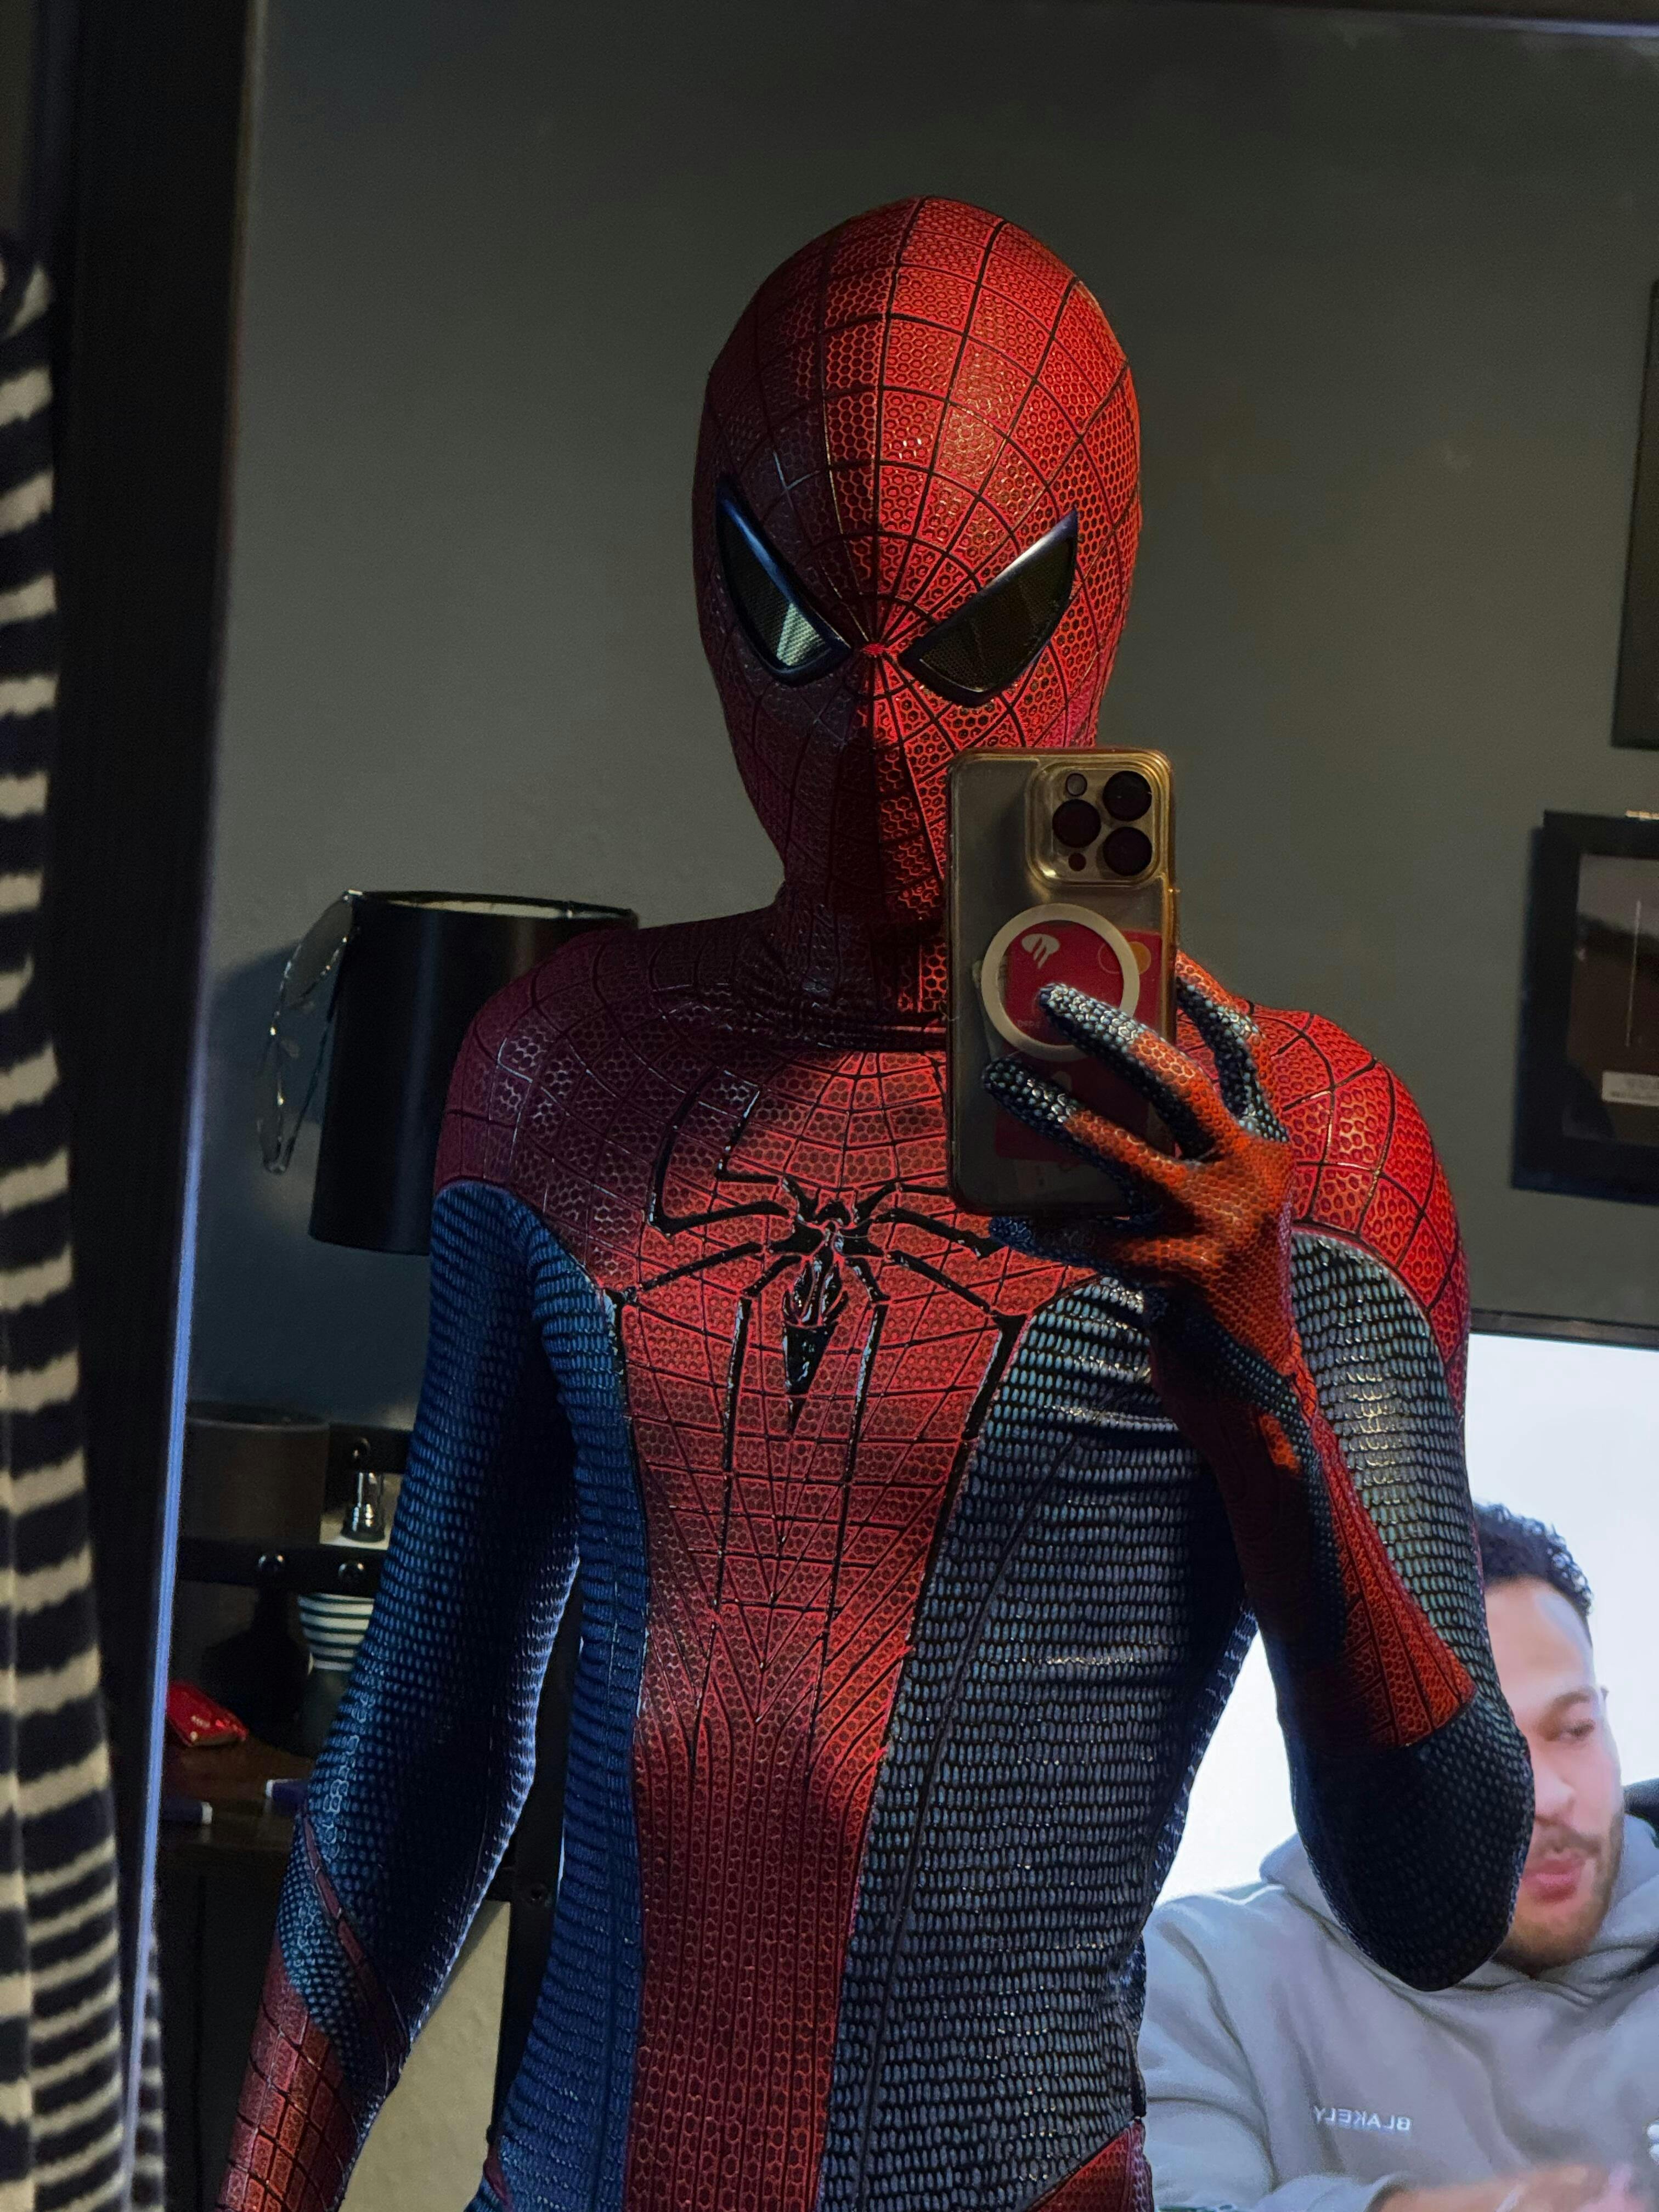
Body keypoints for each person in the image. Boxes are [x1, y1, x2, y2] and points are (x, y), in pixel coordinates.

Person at [218, 199, 1530, 2212]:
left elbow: (1442, 1895)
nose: (877, 736)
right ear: (711, 573)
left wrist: (1263, 1397)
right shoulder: (568, 1069)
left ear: (1089, 577)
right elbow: (422, 1741)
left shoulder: (1292, 1147)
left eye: (964, 640)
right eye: (805, 633)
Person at [1140, 1503, 1659, 2212]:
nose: (1550, 1796)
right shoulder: (1208, 1979)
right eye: (1479, 1750)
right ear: (1365, 1769)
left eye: (1572, 1730)